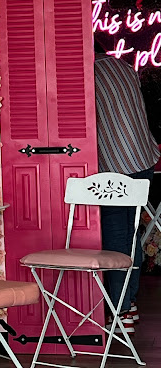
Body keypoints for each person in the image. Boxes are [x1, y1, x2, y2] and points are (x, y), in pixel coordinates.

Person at [94, 40, 160, 333]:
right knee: (129, 234)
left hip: (115, 164)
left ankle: (121, 309)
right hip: (142, 159)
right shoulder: (122, 66)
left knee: (117, 236)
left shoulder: (87, 73)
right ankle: (128, 305)